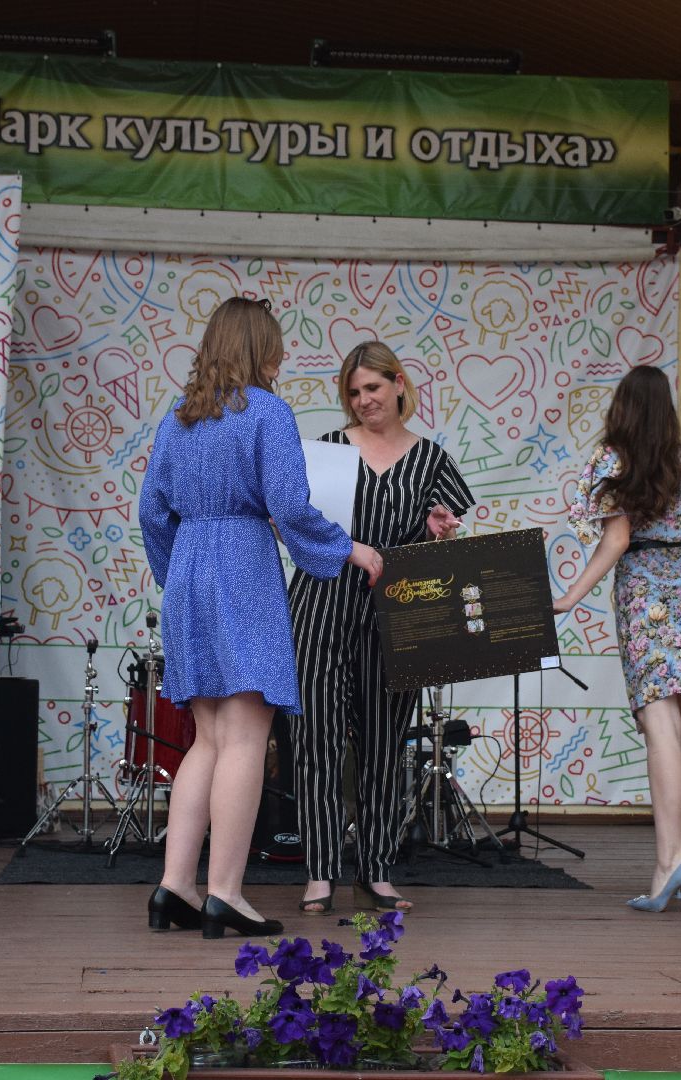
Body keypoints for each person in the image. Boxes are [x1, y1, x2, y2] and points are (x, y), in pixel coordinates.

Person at [138, 297, 383, 939]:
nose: (281, 357)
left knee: (208, 739)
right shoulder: (268, 412)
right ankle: (225, 894)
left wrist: (176, 577)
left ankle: (174, 888)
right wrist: (348, 549)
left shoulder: (177, 420)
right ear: (258, 350)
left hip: (189, 570)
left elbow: (150, 511)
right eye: (274, 345)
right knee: (247, 737)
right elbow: (289, 507)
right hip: (243, 566)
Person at [287, 341, 473, 916]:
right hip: (321, 604)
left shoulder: (432, 460)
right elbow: (299, 525)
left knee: (383, 745)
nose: (364, 399)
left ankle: (376, 869)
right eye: (353, 391)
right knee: (315, 738)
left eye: (373, 387)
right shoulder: (330, 450)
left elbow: (443, 541)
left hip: (397, 612)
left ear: (398, 384)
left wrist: (439, 530)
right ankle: (320, 872)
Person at [554, 365, 681, 914]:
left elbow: (617, 539)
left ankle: (668, 861)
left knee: (659, 728)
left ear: (623, 408)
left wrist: (570, 595)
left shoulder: (613, 461)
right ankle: (679, 856)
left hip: (647, 592)